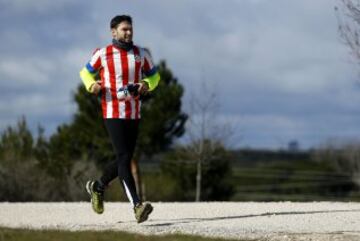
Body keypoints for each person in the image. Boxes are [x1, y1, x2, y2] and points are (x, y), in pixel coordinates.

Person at [79, 15, 160, 223]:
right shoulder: (103, 54)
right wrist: (92, 85)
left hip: (133, 112)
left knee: (124, 159)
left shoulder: (141, 54)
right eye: (124, 29)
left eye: (130, 29)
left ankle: (97, 186)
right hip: (112, 111)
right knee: (124, 157)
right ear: (113, 32)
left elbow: (154, 76)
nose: (129, 33)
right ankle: (137, 206)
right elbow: (85, 73)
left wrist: (146, 84)